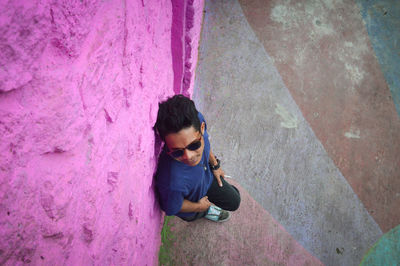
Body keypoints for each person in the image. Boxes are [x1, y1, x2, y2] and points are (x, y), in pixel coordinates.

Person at [154, 94, 241, 222]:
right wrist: (199, 207)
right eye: (177, 152)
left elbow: (205, 142)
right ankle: (205, 211)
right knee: (198, 212)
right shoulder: (171, 181)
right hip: (193, 199)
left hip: (208, 175)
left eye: (194, 145)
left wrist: (215, 165)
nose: (189, 157)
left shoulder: (198, 119)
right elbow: (172, 208)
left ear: (201, 128)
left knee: (234, 201)